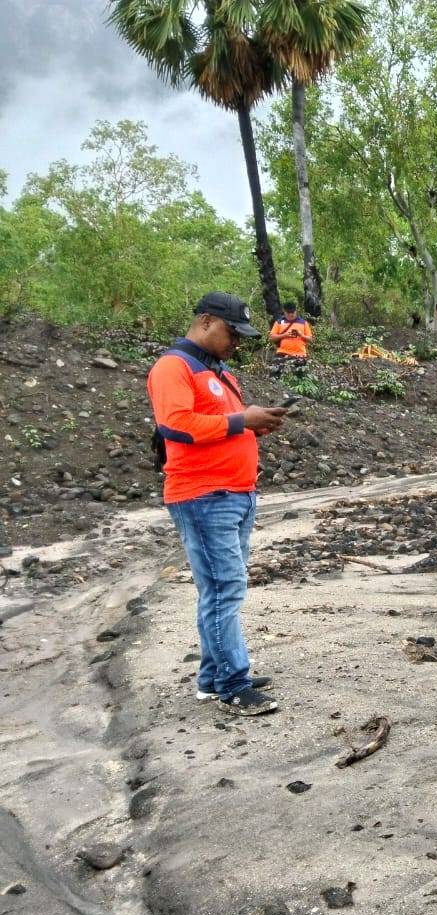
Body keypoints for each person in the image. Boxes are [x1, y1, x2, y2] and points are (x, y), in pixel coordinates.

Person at [147, 292, 289, 716]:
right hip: (204, 495)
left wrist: (254, 425)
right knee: (225, 589)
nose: (237, 343)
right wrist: (244, 420)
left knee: (219, 589)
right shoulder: (173, 367)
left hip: (235, 494)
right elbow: (176, 425)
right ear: (206, 321)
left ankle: (214, 678)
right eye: (232, 333)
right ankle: (231, 683)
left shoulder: (219, 372)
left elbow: (219, 426)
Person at [269, 301, 313, 372]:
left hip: (300, 354)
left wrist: (301, 335)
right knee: (275, 374)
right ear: (284, 312)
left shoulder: (304, 323)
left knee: (300, 377)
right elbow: (272, 338)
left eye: (292, 312)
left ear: (296, 311)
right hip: (282, 353)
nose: (291, 314)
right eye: (288, 313)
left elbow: (310, 339)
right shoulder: (279, 322)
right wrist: (284, 335)